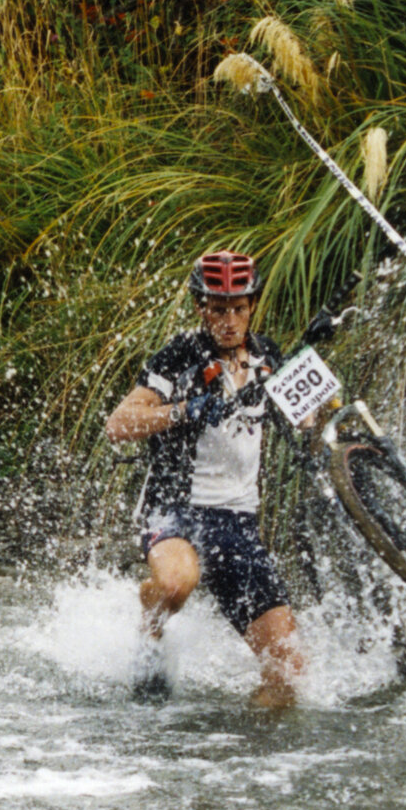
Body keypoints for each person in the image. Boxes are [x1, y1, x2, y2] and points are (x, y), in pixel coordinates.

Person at [104, 251, 304, 710]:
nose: (228, 321)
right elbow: (118, 425)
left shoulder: (269, 356)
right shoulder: (179, 356)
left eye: (238, 309)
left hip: (238, 521)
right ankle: (152, 618)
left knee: (288, 676)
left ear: (252, 306)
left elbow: (308, 418)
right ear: (201, 307)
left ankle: (242, 751)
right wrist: (183, 410)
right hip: (176, 510)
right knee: (177, 583)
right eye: (218, 309)